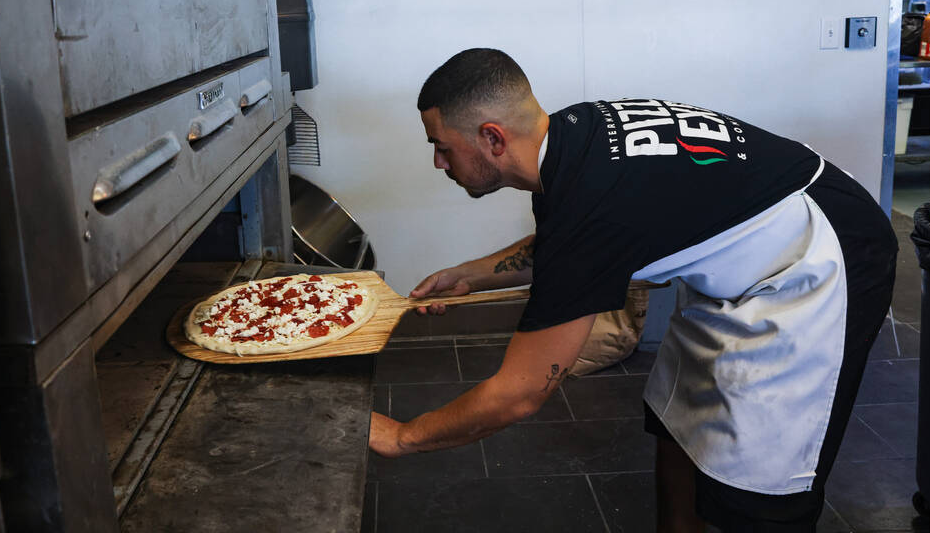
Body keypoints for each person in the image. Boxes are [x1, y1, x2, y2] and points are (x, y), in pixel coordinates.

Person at [369, 48, 897, 533]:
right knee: (680, 419)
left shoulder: (590, 201)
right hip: (744, 272)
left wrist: (400, 436)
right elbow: (571, 240)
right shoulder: (573, 134)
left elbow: (522, 392)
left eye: (441, 148)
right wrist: (474, 273)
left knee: (761, 476)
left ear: (493, 138)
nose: (439, 163)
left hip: (820, 258)